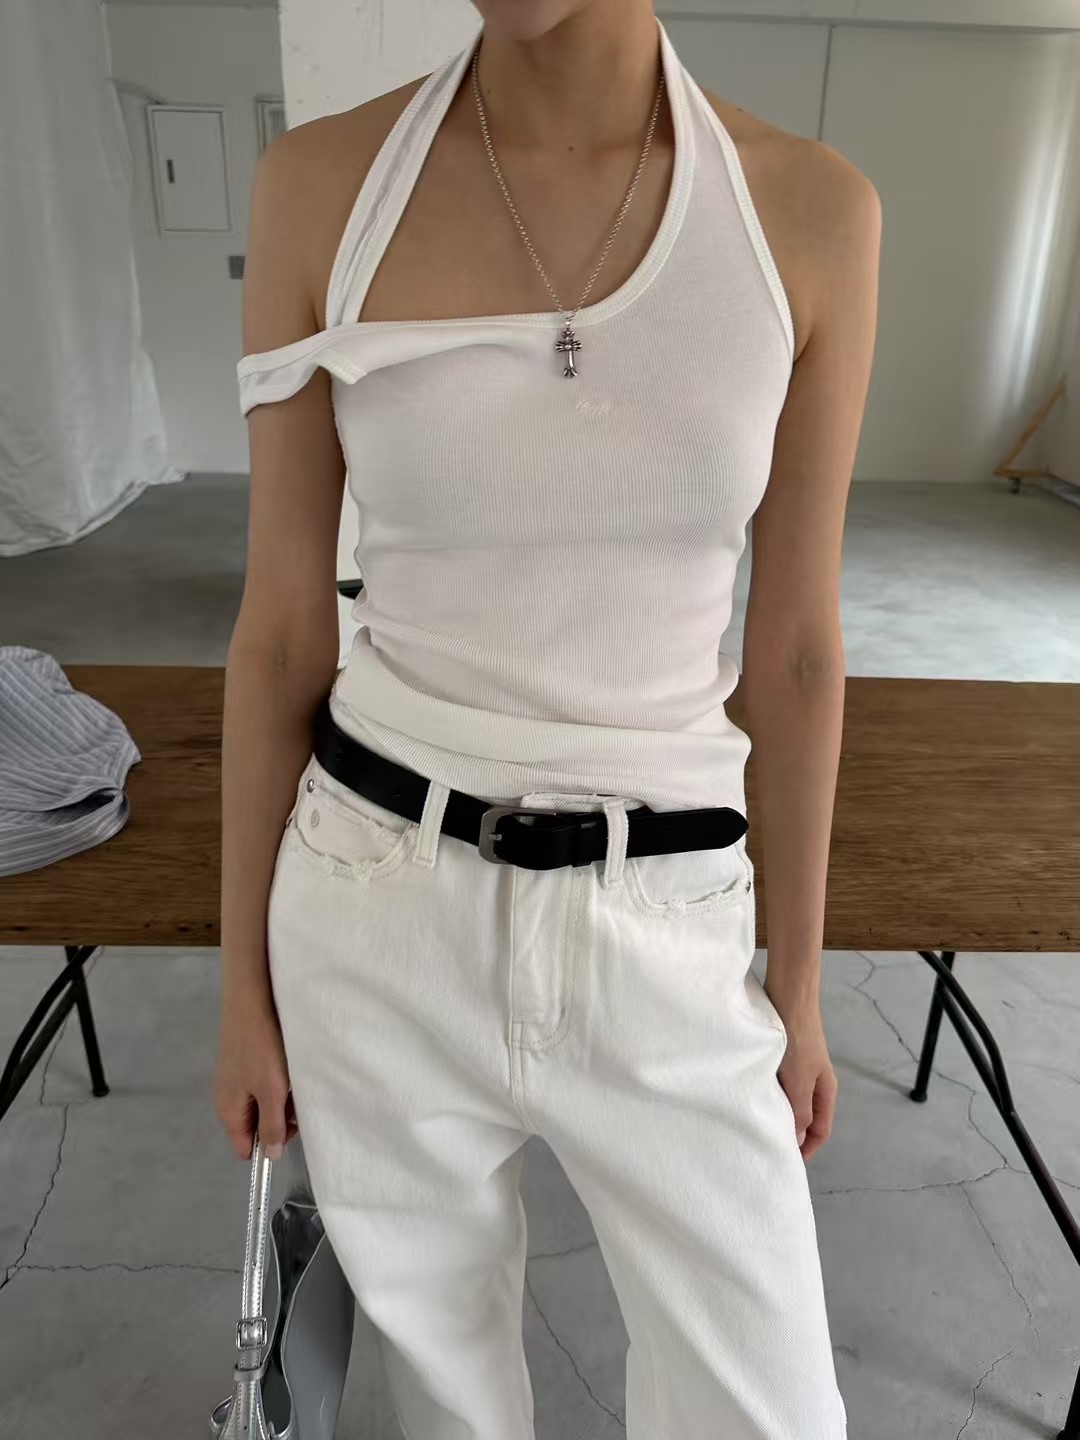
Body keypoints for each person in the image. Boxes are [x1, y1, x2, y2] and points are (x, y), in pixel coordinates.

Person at [215, 0, 880, 1434]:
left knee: (768, 1409)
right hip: (376, 905)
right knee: (447, 1405)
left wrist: (801, 986)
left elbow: (797, 653)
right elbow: (279, 634)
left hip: (669, 911)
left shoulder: (811, 214)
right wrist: (241, 992)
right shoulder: (318, 190)